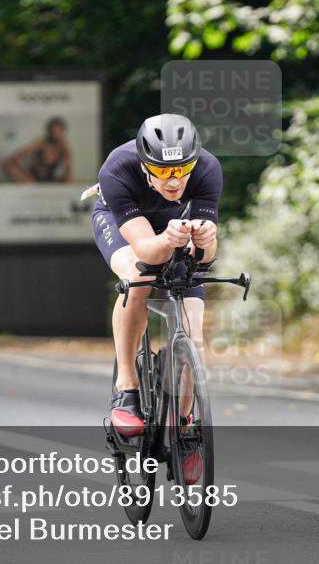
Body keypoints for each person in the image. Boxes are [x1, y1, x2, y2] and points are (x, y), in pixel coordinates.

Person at [90, 114, 221, 440]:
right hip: (125, 226)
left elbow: (205, 258)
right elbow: (148, 251)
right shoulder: (117, 169)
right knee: (138, 279)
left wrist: (206, 241)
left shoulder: (207, 168)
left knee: (195, 339)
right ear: (145, 166)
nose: (174, 181)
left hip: (175, 226)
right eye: (163, 171)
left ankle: (184, 425)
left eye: (182, 170)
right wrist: (168, 240)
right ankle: (127, 386)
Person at [0, 117, 73, 183]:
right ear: (49, 132)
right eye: (53, 132)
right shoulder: (41, 143)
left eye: (58, 132)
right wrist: (13, 164)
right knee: (8, 164)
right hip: (33, 178)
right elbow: (21, 153)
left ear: (62, 132)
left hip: (50, 179)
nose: (56, 135)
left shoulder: (64, 147)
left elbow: (68, 168)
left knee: (68, 179)